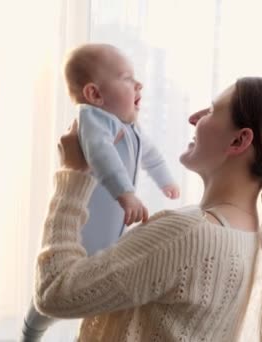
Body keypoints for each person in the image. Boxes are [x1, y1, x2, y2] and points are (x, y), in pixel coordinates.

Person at [34, 77, 262, 342]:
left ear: (239, 141)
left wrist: (73, 176)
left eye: (212, 110)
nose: (194, 118)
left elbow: (53, 293)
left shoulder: (186, 233)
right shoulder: (248, 236)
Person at [20, 43, 180, 341]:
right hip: (81, 236)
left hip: (108, 241)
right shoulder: (92, 119)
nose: (139, 84)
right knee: (49, 302)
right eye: (127, 78)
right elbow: (101, 156)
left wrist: (166, 180)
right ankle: (28, 333)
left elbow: (151, 155)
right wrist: (126, 194)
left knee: (89, 296)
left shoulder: (129, 126)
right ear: (95, 94)